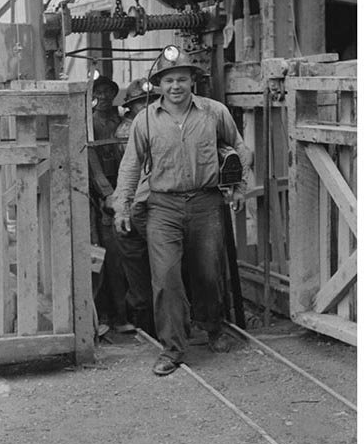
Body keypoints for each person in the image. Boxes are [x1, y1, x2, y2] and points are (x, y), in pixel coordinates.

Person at [114, 49, 252, 376]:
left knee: (207, 271)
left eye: (182, 79)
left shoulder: (213, 112)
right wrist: (123, 204)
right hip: (162, 205)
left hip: (206, 203)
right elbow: (131, 164)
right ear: (159, 84)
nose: (176, 86)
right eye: (169, 80)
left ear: (193, 80)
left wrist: (240, 187)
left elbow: (241, 149)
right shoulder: (146, 119)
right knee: (165, 277)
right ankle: (172, 348)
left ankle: (213, 327)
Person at [88, 73, 133, 333]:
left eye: (107, 91)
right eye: (98, 91)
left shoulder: (123, 120)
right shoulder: (90, 122)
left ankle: (135, 313)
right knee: (109, 258)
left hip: (131, 188)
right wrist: (107, 194)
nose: (103, 96)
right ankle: (111, 314)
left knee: (134, 257)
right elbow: (93, 163)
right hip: (104, 197)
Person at [113, 78, 156, 336]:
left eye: (151, 101)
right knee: (139, 268)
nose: (148, 106)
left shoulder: (153, 124)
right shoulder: (127, 131)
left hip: (152, 203)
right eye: (143, 102)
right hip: (135, 203)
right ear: (132, 106)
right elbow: (131, 170)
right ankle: (142, 321)